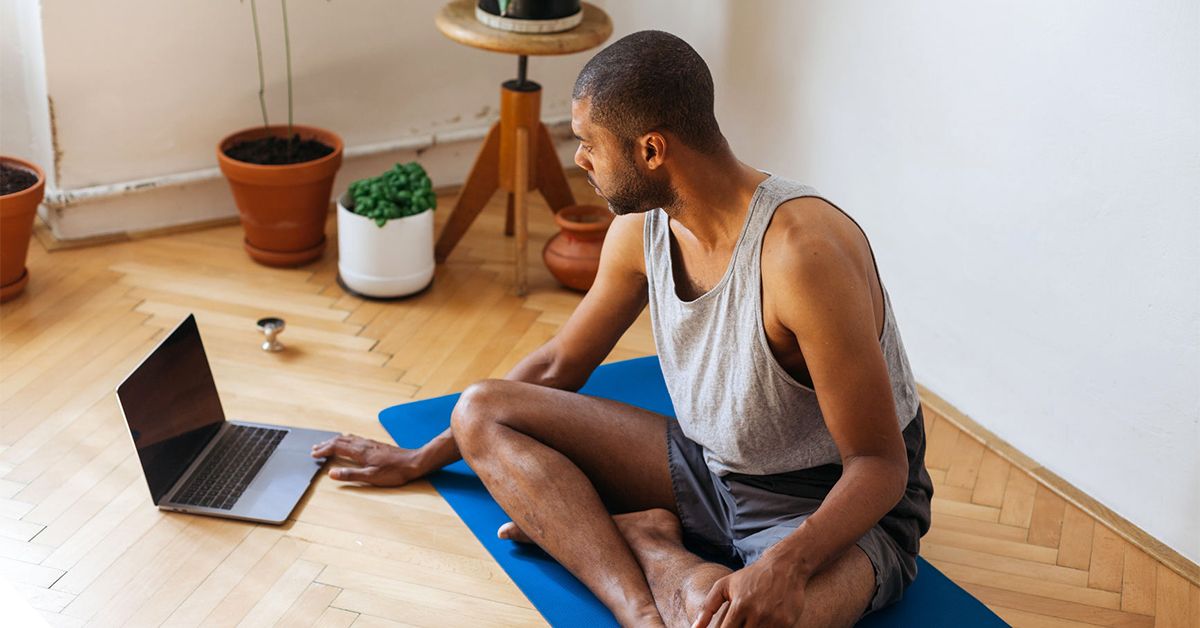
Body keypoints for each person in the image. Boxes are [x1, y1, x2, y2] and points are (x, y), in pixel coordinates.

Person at [312, 30, 932, 628]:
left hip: (830, 505)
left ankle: (640, 544)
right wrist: (422, 457)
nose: (578, 158)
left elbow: (879, 464)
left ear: (651, 150)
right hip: (712, 469)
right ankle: (639, 601)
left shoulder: (801, 255)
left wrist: (785, 566)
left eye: (589, 142)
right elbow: (559, 368)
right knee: (480, 410)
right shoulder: (643, 227)